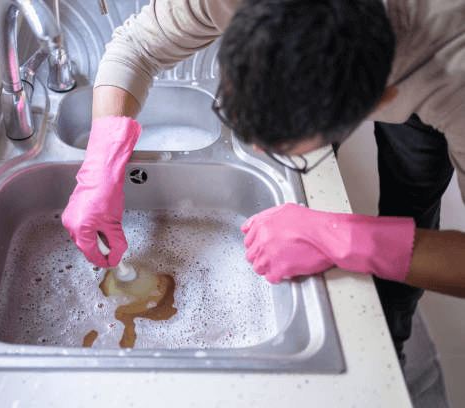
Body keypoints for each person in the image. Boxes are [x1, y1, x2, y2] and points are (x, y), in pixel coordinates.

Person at [61, 0, 465, 365]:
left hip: (432, 65)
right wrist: (100, 163)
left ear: (379, 103)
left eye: (278, 148)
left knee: (415, 181)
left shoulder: (453, 71)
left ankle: (392, 335)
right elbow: (135, 47)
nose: (253, 148)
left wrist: (344, 238)